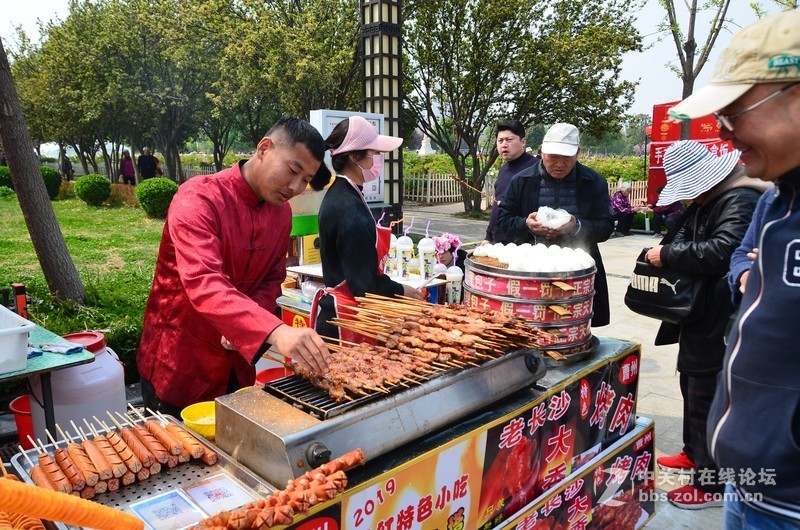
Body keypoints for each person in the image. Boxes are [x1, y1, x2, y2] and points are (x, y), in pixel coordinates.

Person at [669, 11, 800, 526]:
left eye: (735, 110)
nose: (723, 130)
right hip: (751, 488)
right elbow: (740, 256)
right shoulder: (775, 204)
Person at [137, 117, 333, 416]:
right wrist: (275, 330)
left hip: (238, 362)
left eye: (306, 180)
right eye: (293, 170)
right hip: (180, 360)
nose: (296, 187)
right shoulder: (198, 198)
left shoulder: (281, 216)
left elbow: (271, 279)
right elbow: (204, 281)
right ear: (264, 148)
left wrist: (245, 325)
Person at [643, 140, 766, 510]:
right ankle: (695, 452)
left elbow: (722, 252)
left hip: (723, 316)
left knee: (708, 394)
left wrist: (666, 254)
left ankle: (711, 482)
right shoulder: (711, 199)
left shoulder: (739, 199)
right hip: (702, 314)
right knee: (691, 384)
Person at [311, 116, 422, 344]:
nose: (379, 159)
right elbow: (364, 285)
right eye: (374, 153)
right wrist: (401, 290)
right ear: (354, 156)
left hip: (349, 313)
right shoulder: (348, 208)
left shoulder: (344, 193)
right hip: (346, 323)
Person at [497, 122, 614, 327]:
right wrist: (526, 224)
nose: (559, 164)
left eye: (566, 158)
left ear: (578, 153)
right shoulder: (521, 181)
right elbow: (503, 220)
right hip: (531, 270)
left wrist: (576, 226)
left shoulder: (594, 182)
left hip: (577, 271)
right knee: (530, 324)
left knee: (575, 325)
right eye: (553, 157)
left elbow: (605, 226)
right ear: (542, 152)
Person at [483, 119, 539, 245]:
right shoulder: (503, 170)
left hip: (524, 243)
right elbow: (497, 206)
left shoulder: (535, 169)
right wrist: (488, 236)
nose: (504, 145)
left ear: (523, 142)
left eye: (509, 140)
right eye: (500, 140)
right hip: (500, 241)